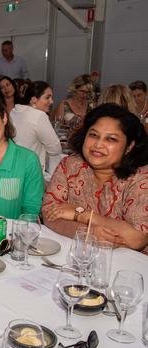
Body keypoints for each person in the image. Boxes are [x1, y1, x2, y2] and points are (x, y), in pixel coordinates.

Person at [42, 104, 148, 252]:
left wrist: (82, 215)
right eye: (93, 135)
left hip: (129, 267)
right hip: (77, 255)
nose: (98, 144)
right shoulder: (71, 165)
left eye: (111, 139)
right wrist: (89, 233)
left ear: (129, 147)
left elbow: (137, 238)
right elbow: (49, 214)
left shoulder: (140, 177)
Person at [9, 81, 62, 174]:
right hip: (30, 170)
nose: (52, 101)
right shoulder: (39, 116)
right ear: (34, 100)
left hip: (12, 165)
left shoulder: (14, 111)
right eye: (47, 97)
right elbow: (55, 148)